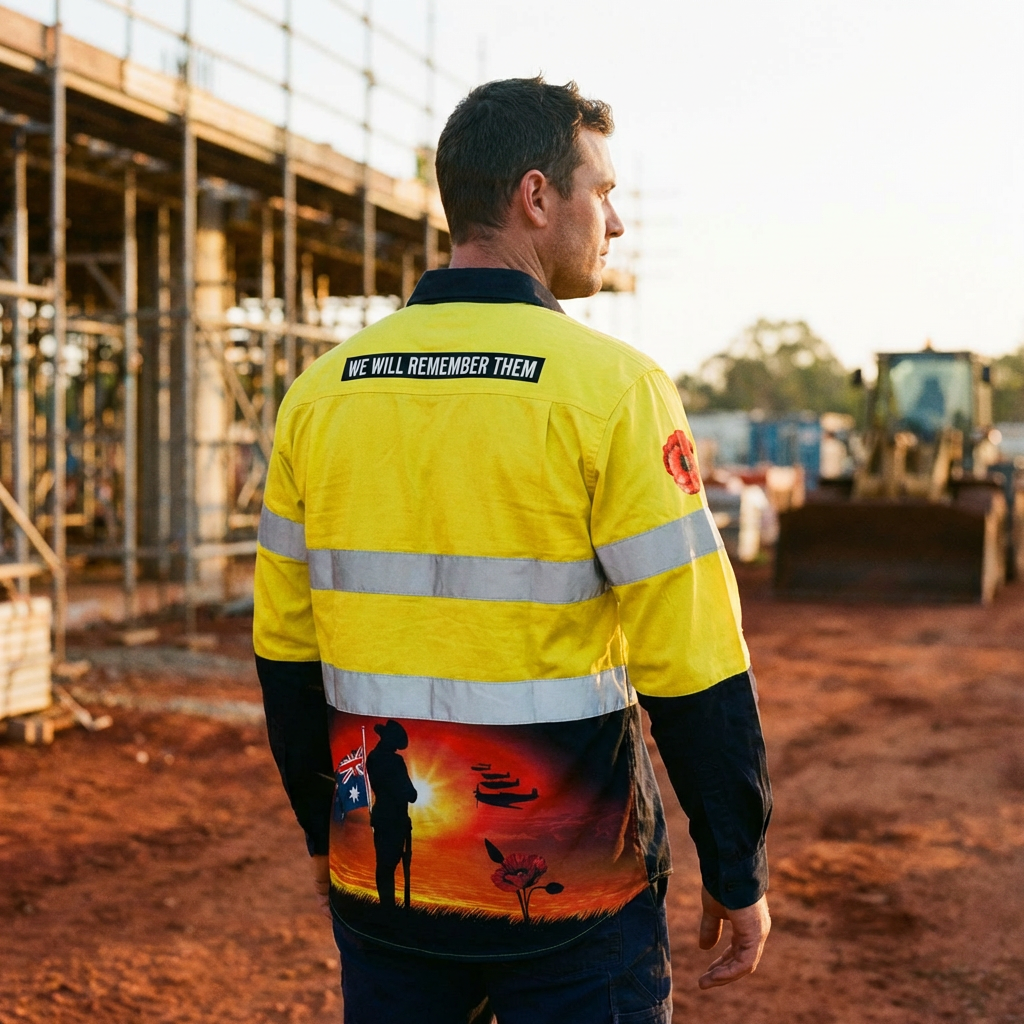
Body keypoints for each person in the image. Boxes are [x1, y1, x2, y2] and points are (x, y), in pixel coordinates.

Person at [255, 76, 772, 1024]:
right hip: (570, 895)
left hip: (388, 879)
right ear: (537, 197)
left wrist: (329, 840)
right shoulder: (613, 391)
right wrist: (737, 867)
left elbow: (287, 658)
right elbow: (693, 659)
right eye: (602, 192)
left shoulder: (318, 394)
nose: (614, 223)